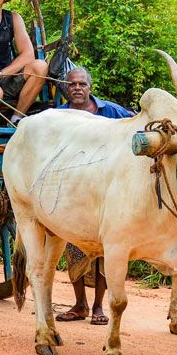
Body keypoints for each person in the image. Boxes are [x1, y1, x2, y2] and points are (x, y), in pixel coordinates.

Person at [55, 66, 134, 325]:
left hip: (106, 190)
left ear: (90, 88)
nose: (77, 88)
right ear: (66, 89)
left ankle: (99, 307)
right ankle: (80, 304)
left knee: (104, 251)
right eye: (72, 84)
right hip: (73, 190)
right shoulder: (59, 116)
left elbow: (133, 120)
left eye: (82, 84)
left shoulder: (110, 111)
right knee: (73, 246)